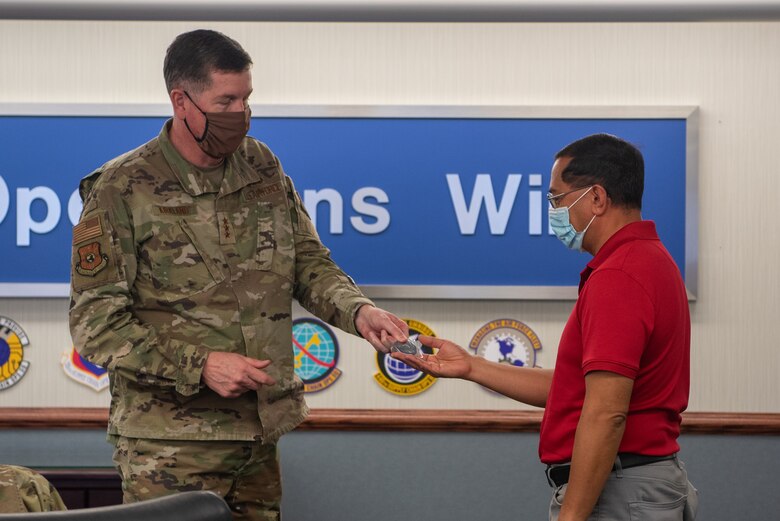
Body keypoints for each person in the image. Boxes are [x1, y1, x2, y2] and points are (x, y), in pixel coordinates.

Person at [69, 29, 407, 520]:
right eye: (225, 100)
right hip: (171, 443)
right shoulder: (121, 187)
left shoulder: (261, 165)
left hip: (260, 430)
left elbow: (307, 262)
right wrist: (200, 363)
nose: (240, 114)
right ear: (180, 100)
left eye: (246, 98)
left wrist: (360, 312)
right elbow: (95, 324)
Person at [394, 134, 698, 521]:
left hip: (621, 492)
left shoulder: (620, 275)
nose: (553, 210)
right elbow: (580, 391)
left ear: (596, 198)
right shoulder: (648, 261)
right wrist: (471, 367)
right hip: (637, 486)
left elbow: (606, 413)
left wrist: (570, 517)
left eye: (556, 199)